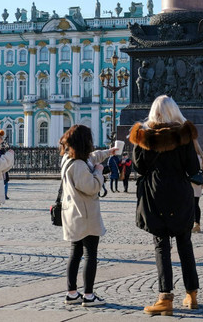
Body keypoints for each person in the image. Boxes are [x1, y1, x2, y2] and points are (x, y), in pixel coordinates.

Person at [129, 95, 201, 314]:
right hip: (181, 195)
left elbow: (139, 167)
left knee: (161, 246)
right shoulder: (184, 134)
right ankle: (191, 294)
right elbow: (192, 168)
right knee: (185, 245)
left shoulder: (145, 137)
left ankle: (165, 298)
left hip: (156, 196)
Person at [59, 125, 115, 307]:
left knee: (75, 253)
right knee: (90, 254)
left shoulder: (69, 158)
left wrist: (109, 152)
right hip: (84, 215)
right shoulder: (79, 165)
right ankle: (89, 295)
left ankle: (72, 293)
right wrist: (99, 172)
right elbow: (92, 187)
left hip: (74, 214)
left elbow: (93, 157)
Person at [191, 139, 203, 233]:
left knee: (191, 205)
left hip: (190, 183)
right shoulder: (201, 156)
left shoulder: (194, 156)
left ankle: (194, 224)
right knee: (195, 204)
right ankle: (196, 224)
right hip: (196, 184)